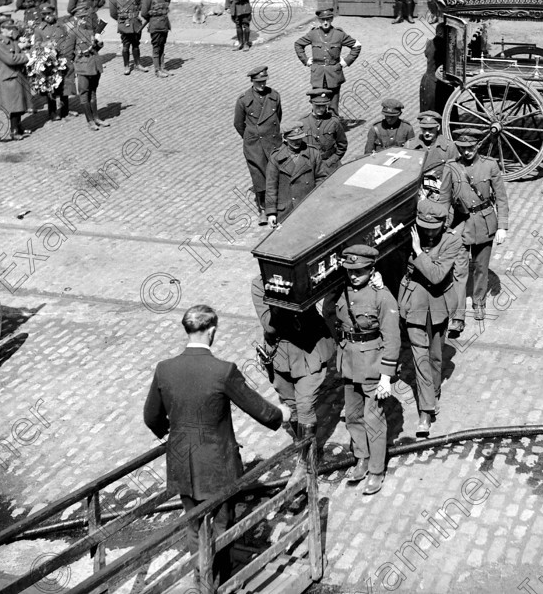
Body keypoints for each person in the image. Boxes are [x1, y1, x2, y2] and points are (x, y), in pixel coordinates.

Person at [143, 304, 291, 588]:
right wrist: (280, 414)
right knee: (222, 525)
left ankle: (201, 581)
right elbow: (257, 408)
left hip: (181, 462)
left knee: (194, 523)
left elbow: (151, 416)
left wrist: (172, 433)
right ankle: (219, 581)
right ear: (211, 331)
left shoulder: (165, 369)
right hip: (217, 465)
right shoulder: (223, 371)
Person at [323, 245, 400, 496]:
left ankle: (377, 470)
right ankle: (362, 458)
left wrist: (386, 377)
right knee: (354, 415)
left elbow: (392, 337)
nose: (354, 275)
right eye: (350, 270)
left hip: (373, 364)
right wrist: (341, 342)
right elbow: (328, 313)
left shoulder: (382, 296)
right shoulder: (341, 290)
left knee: (374, 418)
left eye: (360, 270)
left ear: (371, 269)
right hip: (348, 362)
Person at [251, 275, 335, 485]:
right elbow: (269, 325)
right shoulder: (259, 284)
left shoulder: (303, 277)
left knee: (305, 405)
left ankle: (306, 463)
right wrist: (280, 295)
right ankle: (303, 445)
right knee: (291, 406)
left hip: (308, 351)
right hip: (279, 356)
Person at [398, 200, 466, 435]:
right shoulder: (408, 232)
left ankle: (433, 392)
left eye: (433, 227)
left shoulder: (452, 240)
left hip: (439, 304)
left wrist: (417, 252)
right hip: (414, 303)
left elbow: (437, 275)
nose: (428, 231)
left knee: (435, 356)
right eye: (423, 226)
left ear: (443, 224)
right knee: (420, 358)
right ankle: (425, 412)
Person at [438, 128, 509, 322]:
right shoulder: (451, 167)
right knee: (459, 270)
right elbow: (444, 198)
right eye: (462, 148)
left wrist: (502, 226)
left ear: (477, 146)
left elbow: (501, 198)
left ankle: (479, 302)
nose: (466, 152)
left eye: (470, 148)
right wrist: (443, 227)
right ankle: (458, 314)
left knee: (480, 267)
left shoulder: (490, 166)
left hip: (484, 224)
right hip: (459, 224)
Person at [233, 65, 282, 225]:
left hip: (273, 141)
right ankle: (263, 210)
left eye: (264, 81)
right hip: (255, 145)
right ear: (252, 81)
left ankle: (277, 206)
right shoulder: (244, 100)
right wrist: (251, 138)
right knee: (259, 177)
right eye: (258, 82)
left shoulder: (274, 96)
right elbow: (238, 124)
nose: (262, 84)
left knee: (276, 172)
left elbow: (278, 117)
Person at [294, 7, 361, 116]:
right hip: (318, 73)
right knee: (317, 101)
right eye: (323, 20)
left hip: (334, 73)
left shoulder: (339, 34)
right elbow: (298, 44)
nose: (325, 22)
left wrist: (346, 62)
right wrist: (306, 60)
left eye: (328, 19)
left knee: (333, 104)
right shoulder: (313, 34)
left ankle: (333, 124)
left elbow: (356, 45)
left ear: (331, 20)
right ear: (319, 20)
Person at [265, 121, 326, 228]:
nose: (297, 142)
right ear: (285, 139)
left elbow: (322, 178)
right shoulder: (276, 158)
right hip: (286, 211)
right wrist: (271, 213)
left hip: (308, 207)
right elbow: (271, 186)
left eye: (299, 138)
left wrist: (317, 199)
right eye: (293, 140)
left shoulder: (312, 153)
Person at [65, 3, 108, 131]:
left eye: (86, 17)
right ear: (76, 19)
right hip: (83, 67)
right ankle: (90, 121)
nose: (84, 19)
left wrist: (99, 43)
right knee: (84, 93)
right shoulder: (73, 33)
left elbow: (97, 47)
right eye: (81, 17)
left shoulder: (91, 30)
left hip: (94, 65)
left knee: (93, 92)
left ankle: (96, 117)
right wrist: (78, 61)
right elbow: (68, 52)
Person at [0, 18, 32, 141]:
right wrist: (27, 56)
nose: (12, 31)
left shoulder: (11, 40)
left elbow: (17, 50)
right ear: (2, 29)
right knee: (14, 105)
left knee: (20, 103)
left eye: (12, 28)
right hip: (9, 77)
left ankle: (19, 127)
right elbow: (11, 59)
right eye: (9, 29)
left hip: (17, 75)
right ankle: (14, 131)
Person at [404, 110, 458, 201]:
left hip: (441, 195)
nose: (427, 133)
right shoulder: (410, 146)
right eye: (424, 129)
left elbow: (456, 174)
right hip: (417, 194)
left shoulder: (449, 147)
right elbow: (404, 173)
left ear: (438, 127)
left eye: (430, 129)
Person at [299, 89, 347, 174]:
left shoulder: (334, 122)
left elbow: (342, 145)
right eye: (317, 106)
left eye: (324, 106)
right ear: (311, 103)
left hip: (329, 165)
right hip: (309, 166)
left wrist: (331, 161)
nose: (321, 109)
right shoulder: (303, 122)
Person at [34, 4, 68, 121]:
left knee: (64, 85)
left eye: (49, 14)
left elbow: (67, 39)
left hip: (62, 59)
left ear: (54, 13)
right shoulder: (39, 29)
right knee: (51, 87)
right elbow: (36, 45)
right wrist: (45, 45)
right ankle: (52, 112)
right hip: (49, 62)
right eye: (45, 15)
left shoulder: (61, 26)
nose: (48, 17)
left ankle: (65, 109)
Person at [109, 0, 146, 75]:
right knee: (126, 46)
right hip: (124, 26)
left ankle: (138, 64)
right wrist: (122, 20)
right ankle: (126, 66)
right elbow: (113, 14)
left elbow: (140, 5)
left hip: (135, 25)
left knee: (136, 45)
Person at [140, 0, 171, 78]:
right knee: (156, 47)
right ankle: (157, 70)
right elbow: (144, 13)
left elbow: (164, 6)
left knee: (162, 46)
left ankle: (162, 67)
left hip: (163, 24)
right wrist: (153, 18)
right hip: (156, 26)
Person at [420, 23, 447, 113]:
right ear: (440, 33)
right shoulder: (443, 45)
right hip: (437, 82)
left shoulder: (429, 42)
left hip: (428, 80)